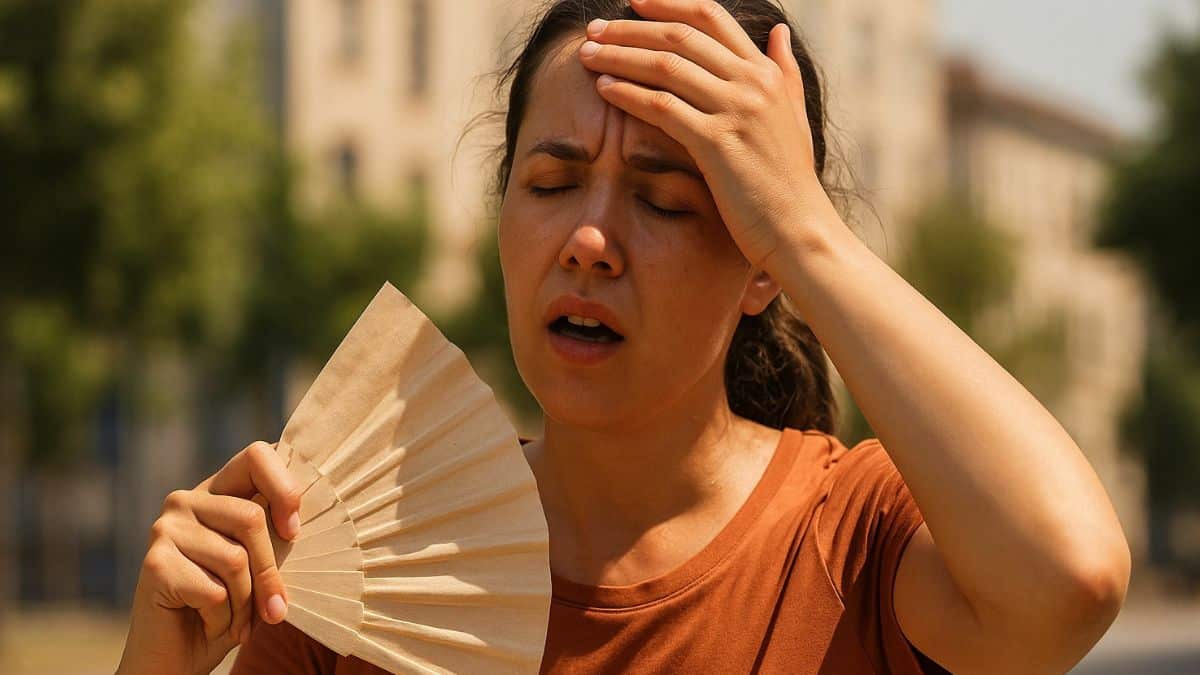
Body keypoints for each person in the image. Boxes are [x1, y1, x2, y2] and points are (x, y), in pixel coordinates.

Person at [117, 0, 1132, 673]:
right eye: (550, 186)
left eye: (667, 202)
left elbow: (1071, 579)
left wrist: (809, 231)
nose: (590, 241)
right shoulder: (360, 570)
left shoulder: (853, 540)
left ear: (762, 264)